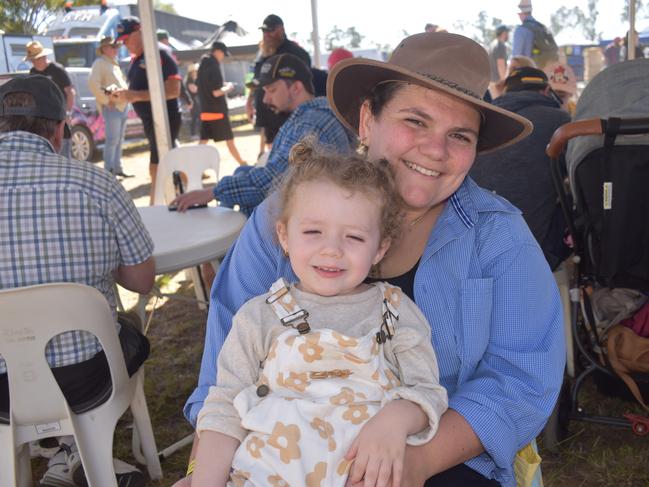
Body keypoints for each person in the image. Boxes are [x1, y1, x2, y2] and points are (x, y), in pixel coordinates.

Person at [177, 32, 565, 487]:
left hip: (439, 458)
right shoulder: (278, 220)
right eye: (416, 121)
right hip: (278, 462)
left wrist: (413, 465)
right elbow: (223, 380)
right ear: (367, 120)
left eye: (458, 135)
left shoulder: (498, 236)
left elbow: (518, 382)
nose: (435, 150)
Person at [191, 139, 448, 487]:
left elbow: (427, 392)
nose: (331, 250)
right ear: (284, 236)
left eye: (354, 238)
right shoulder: (259, 317)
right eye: (313, 232)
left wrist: (396, 419)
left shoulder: (395, 312)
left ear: (379, 248)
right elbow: (224, 408)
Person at [0, 75, 154, 487]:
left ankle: (60, 453)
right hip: (88, 377)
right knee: (130, 330)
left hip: (3, 391)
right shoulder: (96, 183)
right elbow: (142, 281)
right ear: (60, 129)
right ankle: (78, 456)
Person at [172, 53, 355, 217]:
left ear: (296, 88)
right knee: (241, 172)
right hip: (311, 210)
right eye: (265, 92)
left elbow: (273, 182)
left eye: (272, 90)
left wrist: (213, 192)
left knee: (239, 185)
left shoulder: (310, 125)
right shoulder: (313, 116)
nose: (266, 99)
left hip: (306, 221)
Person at [470, 67, 572, 270]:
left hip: (474, 251)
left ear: (506, 91)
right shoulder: (561, 121)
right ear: (545, 91)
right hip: (535, 252)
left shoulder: (483, 119)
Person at [113, 16, 182, 204]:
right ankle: (178, 196)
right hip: (152, 121)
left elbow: (174, 90)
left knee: (157, 168)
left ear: (141, 32)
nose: (125, 44)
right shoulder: (138, 58)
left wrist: (134, 96)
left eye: (127, 38)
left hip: (164, 119)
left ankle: (157, 206)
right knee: (165, 165)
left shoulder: (160, 53)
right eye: (122, 40)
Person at [246, 14, 311, 154]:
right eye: (264, 31)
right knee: (273, 153)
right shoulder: (262, 51)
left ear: (281, 29)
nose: (266, 34)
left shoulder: (295, 52)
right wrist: (249, 100)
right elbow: (256, 80)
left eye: (270, 30)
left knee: (291, 155)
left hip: (287, 115)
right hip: (267, 114)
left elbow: (306, 83)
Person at [88, 35, 132, 178]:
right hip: (112, 107)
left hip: (122, 105)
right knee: (113, 140)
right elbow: (93, 84)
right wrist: (107, 101)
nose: (116, 49)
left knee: (118, 139)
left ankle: (117, 168)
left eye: (116, 47)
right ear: (105, 48)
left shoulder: (113, 63)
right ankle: (109, 171)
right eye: (113, 47)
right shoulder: (100, 63)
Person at [197, 41, 247, 165]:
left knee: (203, 141)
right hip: (217, 111)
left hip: (205, 109)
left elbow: (206, 87)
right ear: (218, 51)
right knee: (230, 140)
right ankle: (242, 163)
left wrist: (223, 85)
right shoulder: (214, 66)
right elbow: (216, 92)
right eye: (223, 54)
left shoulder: (202, 66)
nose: (223, 57)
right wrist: (229, 87)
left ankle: (194, 164)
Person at [25, 40, 74, 157]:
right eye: (32, 60)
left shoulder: (57, 70)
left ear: (43, 57)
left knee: (64, 151)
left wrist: (67, 112)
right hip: (43, 119)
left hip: (60, 117)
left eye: (36, 58)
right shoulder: (32, 72)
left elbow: (70, 92)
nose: (34, 62)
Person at [512, 0, 558, 69]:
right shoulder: (541, 27)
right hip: (543, 71)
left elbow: (516, 57)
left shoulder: (521, 30)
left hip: (527, 73)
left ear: (521, 13)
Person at [488, 25, 510, 98]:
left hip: (492, 81)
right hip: (498, 82)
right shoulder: (500, 45)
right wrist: (504, 82)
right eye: (507, 33)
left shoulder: (492, 44)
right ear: (503, 33)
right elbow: (500, 64)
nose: (508, 35)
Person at [185, 62, 201, 138]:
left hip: (198, 101)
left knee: (200, 117)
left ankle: (200, 132)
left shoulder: (196, 80)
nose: (197, 72)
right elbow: (194, 90)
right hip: (192, 102)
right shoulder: (189, 81)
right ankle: (193, 134)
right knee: (194, 118)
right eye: (195, 71)